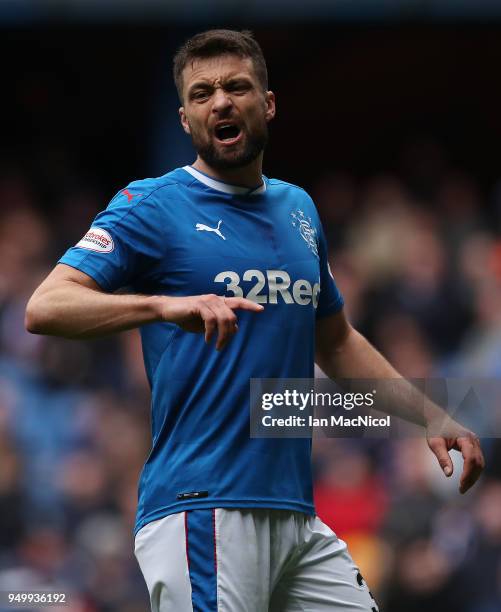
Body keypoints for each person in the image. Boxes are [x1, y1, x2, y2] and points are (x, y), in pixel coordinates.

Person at [25, 29, 484, 612]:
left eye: (236, 87)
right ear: (186, 119)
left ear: (267, 104)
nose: (220, 101)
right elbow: (46, 306)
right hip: (203, 507)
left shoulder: (299, 210)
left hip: (295, 516)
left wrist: (429, 412)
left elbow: (335, 338)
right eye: (202, 93)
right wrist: (165, 306)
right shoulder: (151, 206)